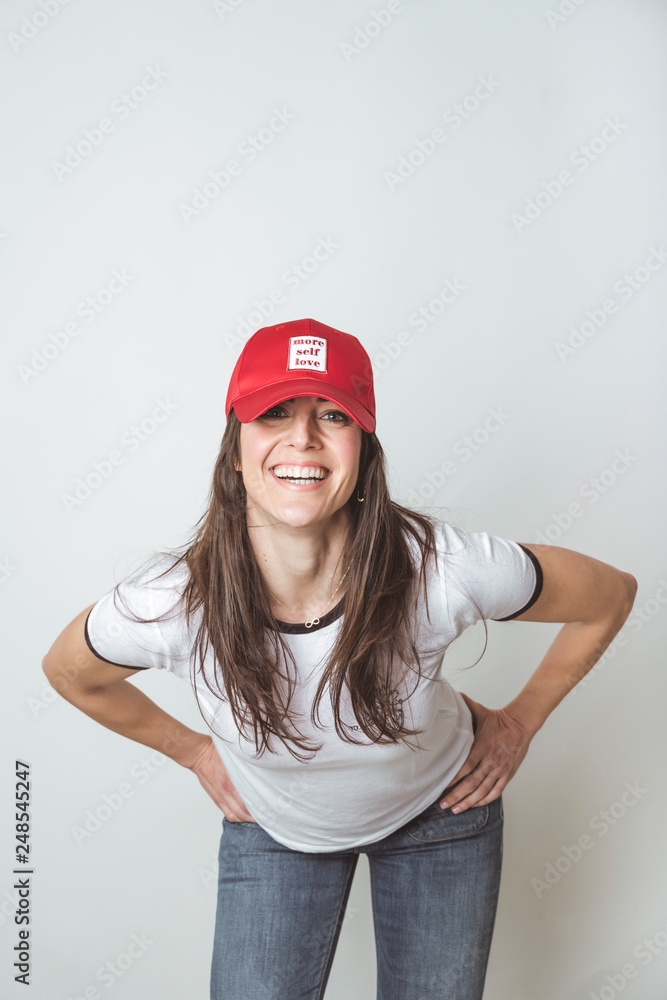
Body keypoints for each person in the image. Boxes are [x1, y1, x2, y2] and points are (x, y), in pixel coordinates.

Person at [43, 317, 637, 1000]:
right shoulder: (172, 604)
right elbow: (68, 673)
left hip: (439, 816)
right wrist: (194, 752)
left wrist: (520, 722)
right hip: (274, 827)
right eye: (273, 413)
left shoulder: (446, 568)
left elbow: (610, 595)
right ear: (235, 450)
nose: (302, 438)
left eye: (332, 415)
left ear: (363, 453)